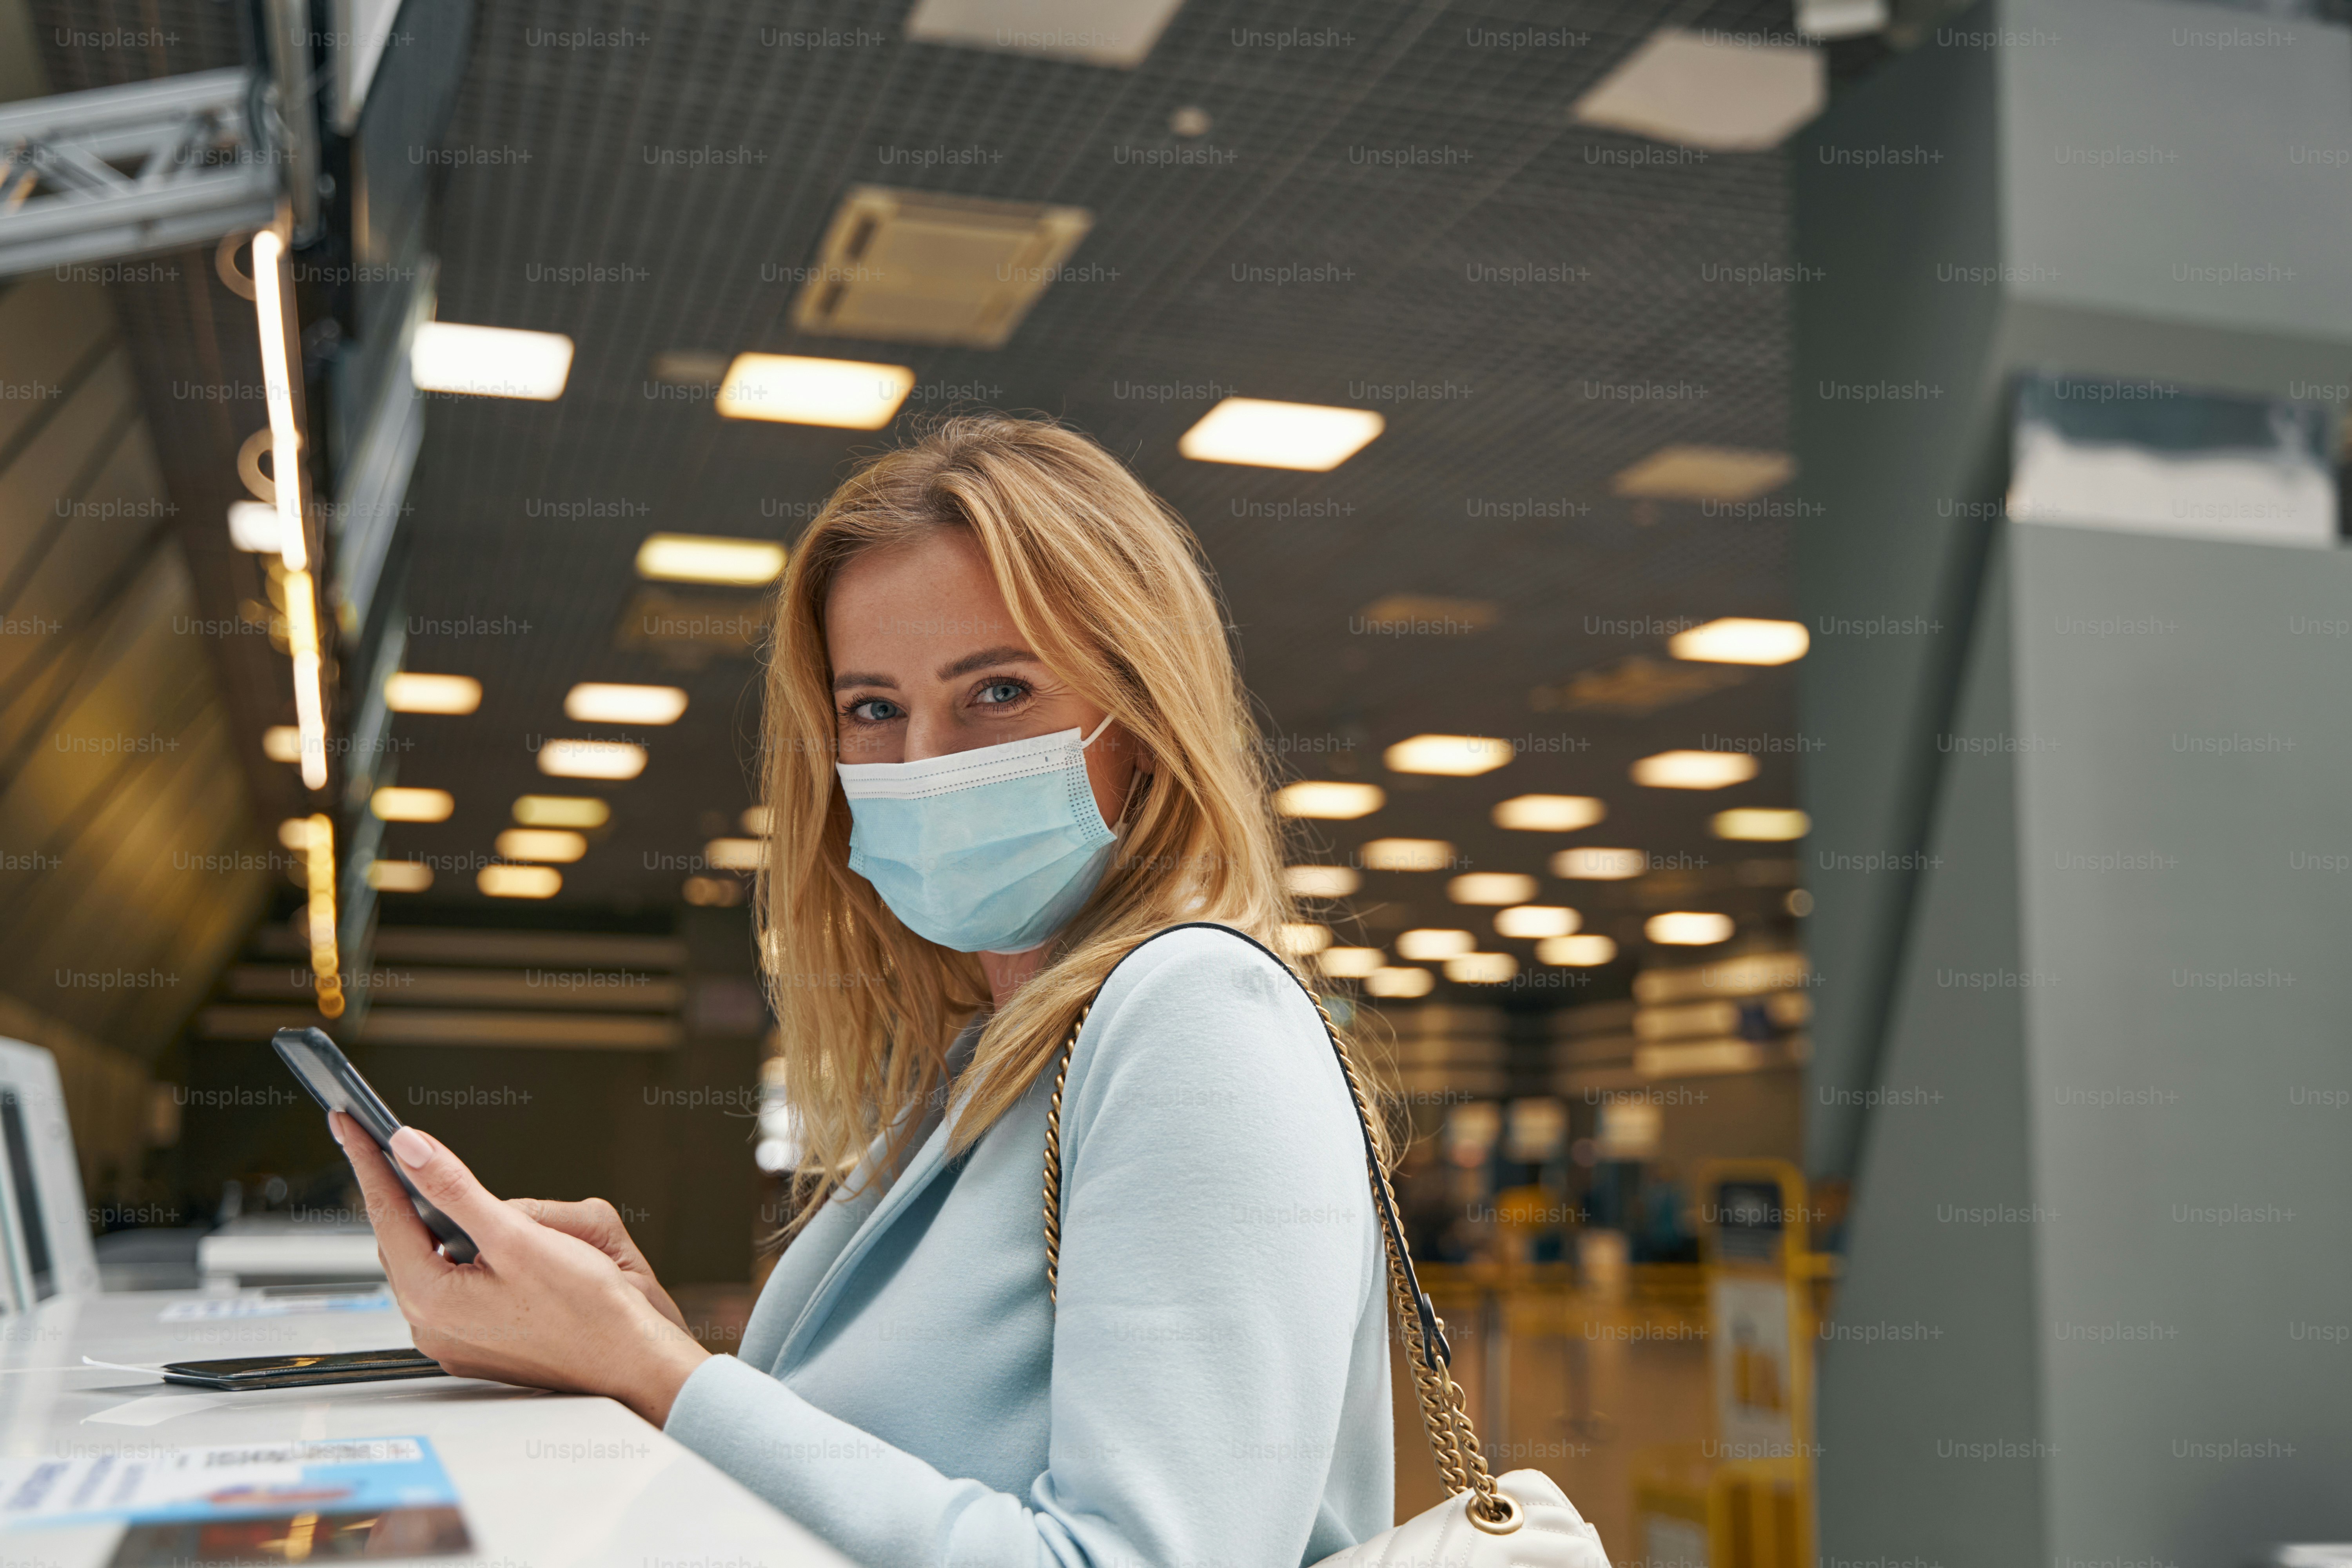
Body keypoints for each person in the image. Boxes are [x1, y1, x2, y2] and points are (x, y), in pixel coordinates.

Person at [335, 414, 1395, 1566]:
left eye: (997, 693)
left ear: (1139, 718)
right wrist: (634, 1333)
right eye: (875, 710)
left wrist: (649, 1369)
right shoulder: (990, 1059)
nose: (925, 761)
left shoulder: (1198, 1019)